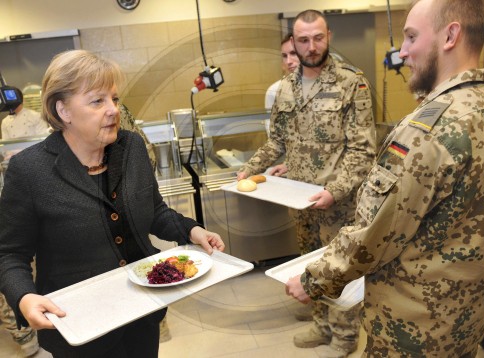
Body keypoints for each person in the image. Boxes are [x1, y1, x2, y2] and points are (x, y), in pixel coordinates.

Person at [286, 0, 484, 356]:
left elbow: (374, 233)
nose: (402, 52)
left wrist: (313, 280)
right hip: (468, 316)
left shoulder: (427, 131)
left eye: (411, 37)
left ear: (450, 36)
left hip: (415, 328)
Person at [0, 49, 225, 357]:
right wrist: (24, 296)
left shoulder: (130, 147)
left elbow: (154, 210)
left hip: (142, 312)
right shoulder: (29, 171)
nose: (113, 110)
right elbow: (9, 254)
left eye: (114, 99)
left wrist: (192, 230)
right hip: (78, 324)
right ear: (63, 110)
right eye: (97, 101)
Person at [238, 9, 376, 357]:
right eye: (303, 40)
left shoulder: (351, 82)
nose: (311, 46)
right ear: (293, 43)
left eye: (317, 38)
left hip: (339, 203)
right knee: (309, 265)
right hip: (300, 200)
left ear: (328, 35)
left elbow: (362, 149)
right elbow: (277, 142)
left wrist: (336, 191)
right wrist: (250, 168)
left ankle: (344, 338)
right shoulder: (286, 88)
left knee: (338, 269)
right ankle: (322, 324)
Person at [265, 32, 300, 110]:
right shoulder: (274, 91)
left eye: (293, 53)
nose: (288, 61)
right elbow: (271, 121)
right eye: (284, 56)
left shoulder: (324, 85)